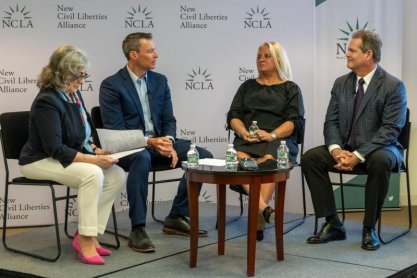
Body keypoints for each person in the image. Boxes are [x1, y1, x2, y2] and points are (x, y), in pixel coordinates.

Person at [99, 32, 213, 253]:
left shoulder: (160, 80)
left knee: (202, 156)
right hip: (130, 147)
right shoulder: (111, 85)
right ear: (133, 54)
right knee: (141, 158)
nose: (156, 55)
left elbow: (168, 118)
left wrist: (168, 141)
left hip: (160, 142)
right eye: (150, 51)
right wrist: (151, 141)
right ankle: (138, 229)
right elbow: (116, 130)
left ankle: (177, 216)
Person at [19, 45, 126, 264]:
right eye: (78, 76)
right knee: (92, 173)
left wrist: (96, 150)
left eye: (83, 75)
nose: (82, 81)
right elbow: (55, 148)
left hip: (61, 157)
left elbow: (81, 135)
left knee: (116, 174)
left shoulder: (74, 95)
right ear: (62, 74)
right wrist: (94, 160)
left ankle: (91, 232)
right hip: (38, 160)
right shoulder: (47, 101)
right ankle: (85, 240)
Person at [302, 30, 407, 251]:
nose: (346, 54)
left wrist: (358, 155)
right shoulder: (341, 83)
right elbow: (330, 121)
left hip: (382, 148)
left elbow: (390, 130)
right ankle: (333, 223)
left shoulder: (393, 85)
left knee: (380, 161)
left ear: (368, 54)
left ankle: (369, 228)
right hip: (346, 149)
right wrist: (336, 150)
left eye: (351, 50)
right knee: (311, 158)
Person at [226, 41, 304, 241]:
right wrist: (243, 132)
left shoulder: (290, 88)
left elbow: (293, 122)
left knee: (270, 161)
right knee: (241, 159)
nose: (261, 59)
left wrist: (272, 135)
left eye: (267, 55)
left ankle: (257, 217)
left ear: (278, 59)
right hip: (248, 141)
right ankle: (264, 210)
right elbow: (233, 115)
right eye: (259, 55)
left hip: (280, 140)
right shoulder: (247, 86)